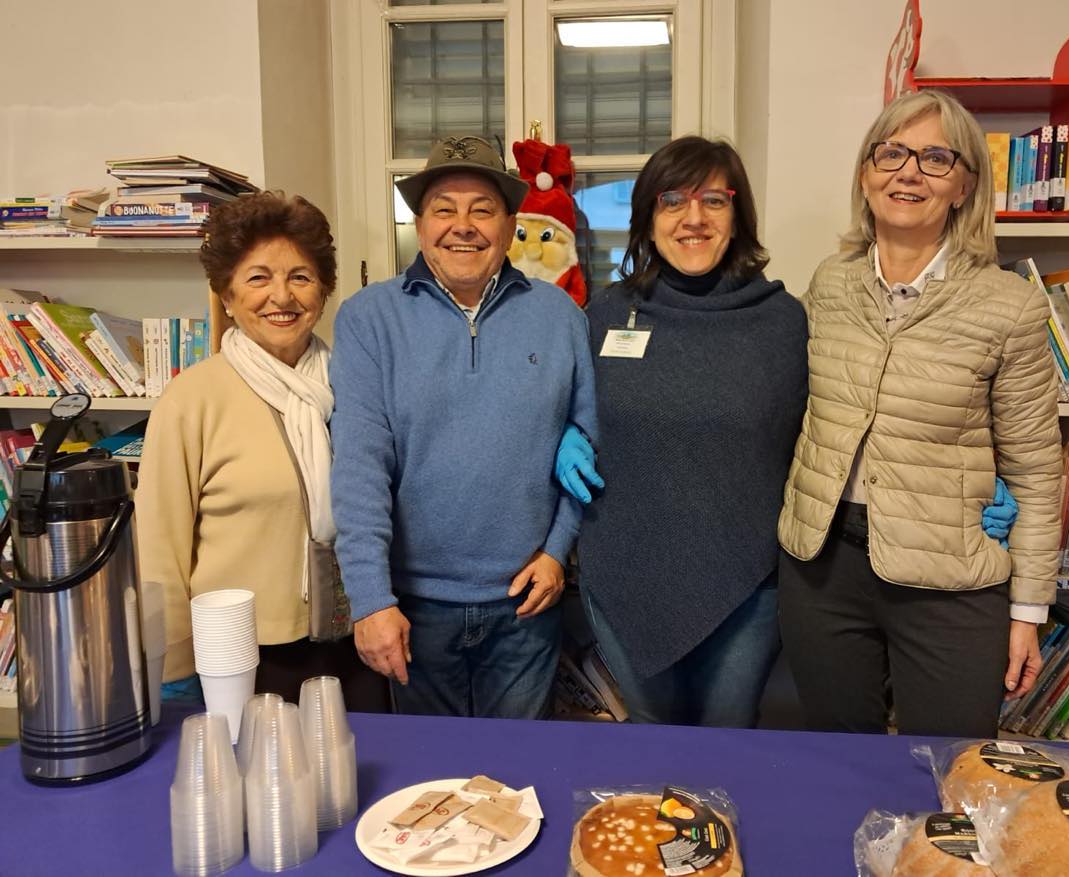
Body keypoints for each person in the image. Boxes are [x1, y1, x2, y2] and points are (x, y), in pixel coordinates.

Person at [776, 89, 1062, 738]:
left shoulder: (1009, 306)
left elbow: (1038, 470)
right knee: (837, 757)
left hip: (950, 577)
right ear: (866, 173)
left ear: (965, 185)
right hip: (823, 568)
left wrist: (1027, 610)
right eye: (893, 153)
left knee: (949, 768)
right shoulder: (830, 283)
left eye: (936, 158)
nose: (909, 171)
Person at [329, 134, 597, 719]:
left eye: (483, 209)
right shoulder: (368, 320)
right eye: (444, 209)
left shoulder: (561, 317)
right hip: (413, 610)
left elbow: (587, 446)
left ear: (508, 223)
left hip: (526, 603)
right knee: (429, 787)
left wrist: (557, 552)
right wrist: (370, 600)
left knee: (518, 782)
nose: (463, 226)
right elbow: (358, 468)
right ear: (420, 224)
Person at [559, 136, 809, 728]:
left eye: (713, 202)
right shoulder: (603, 315)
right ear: (647, 217)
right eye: (673, 201)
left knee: (726, 744)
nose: (693, 218)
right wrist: (563, 434)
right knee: (653, 742)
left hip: (747, 582)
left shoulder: (782, 322)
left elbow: (827, 431)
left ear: (738, 216)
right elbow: (560, 406)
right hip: (624, 571)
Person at [138, 191, 391, 710]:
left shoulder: (355, 384)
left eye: (300, 277)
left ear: (323, 291)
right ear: (227, 294)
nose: (282, 296)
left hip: (355, 639)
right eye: (258, 278)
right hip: (240, 656)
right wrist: (176, 667)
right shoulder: (192, 400)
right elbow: (158, 549)